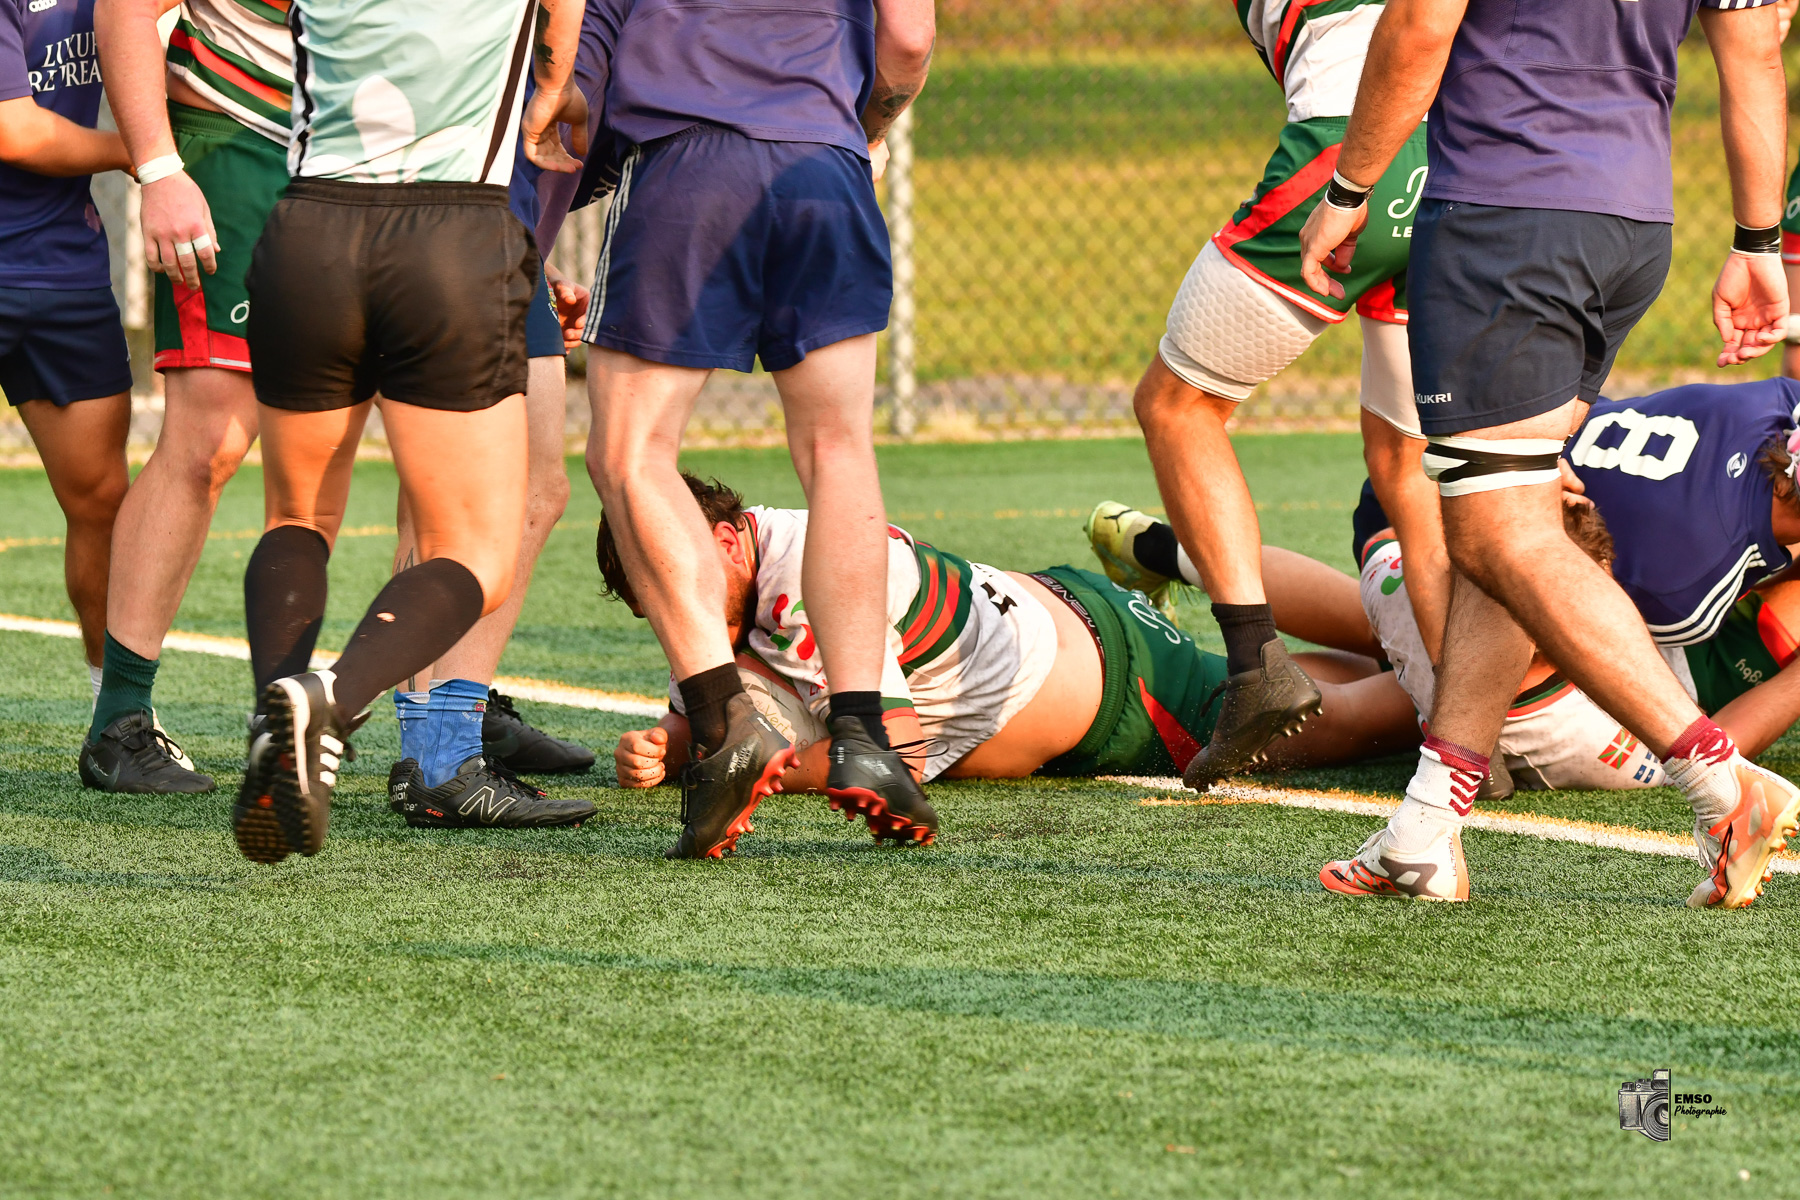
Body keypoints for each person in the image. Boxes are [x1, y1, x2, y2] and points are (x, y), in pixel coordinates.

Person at [1298, 0, 1796, 907]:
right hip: (1632, 225)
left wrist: (1348, 188)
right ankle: (1426, 830)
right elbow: (1756, 46)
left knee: (1492, 534)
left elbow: (1416, 22)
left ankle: (1723, 786)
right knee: (1507, 519)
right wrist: (1757, 241)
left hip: (1507, 214)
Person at [230, 0, 594, 865]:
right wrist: (553, 89)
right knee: (474, 551)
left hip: (310, 227)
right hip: (448, 231)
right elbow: (561, 44)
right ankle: (331, 703)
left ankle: (272, 720)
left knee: (296, 518)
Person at [577, 0, 940, 859]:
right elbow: (911, 38)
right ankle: (861, 734)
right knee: (838, 448)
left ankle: (722, 718)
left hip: (687, 162)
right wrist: (864, 126)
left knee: (629, 451)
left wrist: (554, 205)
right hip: (826, 163)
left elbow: (573, 66)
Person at [604, 477, 1420, 823]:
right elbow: (715, 717)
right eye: (653, 606)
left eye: (672, 585)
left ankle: (1474, 686)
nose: (672, 615)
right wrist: (670, 746)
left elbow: (896, 753)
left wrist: (762, 773)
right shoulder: (741, 575)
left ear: (722, 540)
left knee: (1340, 716)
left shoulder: (799, 585)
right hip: (1059, 613)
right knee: (1322, 661)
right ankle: (1169, 555)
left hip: (1122, 687)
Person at [1122, 0, 1451, 796]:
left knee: (1177, 405)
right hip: (1461, 155)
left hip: (1357, 150)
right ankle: (1465, 732)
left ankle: (1255, 664)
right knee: (1406, 467)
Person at [385, 9, 613, 822]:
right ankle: (442, 752)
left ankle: (440, 736)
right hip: (446, 231)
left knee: (530, 492)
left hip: (506, 244)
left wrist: (539, 263)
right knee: (458, 502)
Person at [1092, 499, 1681, 797]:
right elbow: (1676, 751)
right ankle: (1173, 693)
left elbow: (1385, 543)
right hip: (1494, 694)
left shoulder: (1412, 580)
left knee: (1375, 634)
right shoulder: (1587, 736)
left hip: (1409, 564)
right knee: (1362, 706)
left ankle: (1166, 554)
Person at [86, 0, 294, 795]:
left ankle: (446, 719)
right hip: (241, 143)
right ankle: (121, 720)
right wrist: (160, 168)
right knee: (210, 443)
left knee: (395, 437)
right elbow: (127, 7)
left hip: (370, 165)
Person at [1, 0, 137, 778]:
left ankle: (113, 719)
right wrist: (140, 152)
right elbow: (14, 130)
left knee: (101, 499)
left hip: (63, 269)